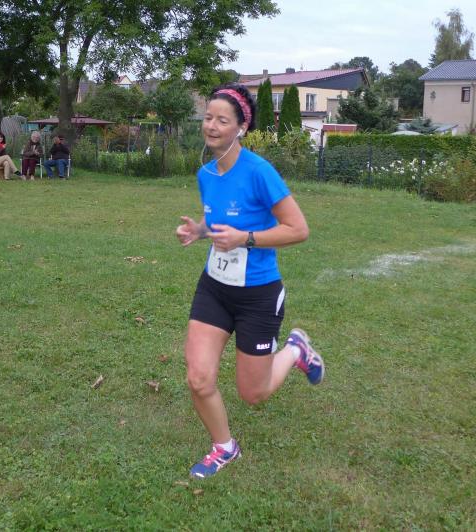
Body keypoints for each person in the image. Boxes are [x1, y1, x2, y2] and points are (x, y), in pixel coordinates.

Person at [175, 83, 325, 479]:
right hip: (215, 287)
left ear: (241, 127)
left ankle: (295, 349)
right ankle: (224, 447)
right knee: (199, 378)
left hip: (258, 293)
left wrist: (246, 239)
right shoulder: (206, 173)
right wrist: (200, 231)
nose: (211, 126)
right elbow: (222, 219)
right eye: (208, 117)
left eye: (222, 120)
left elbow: (298, 229)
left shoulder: (259, 172)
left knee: (253, 393)